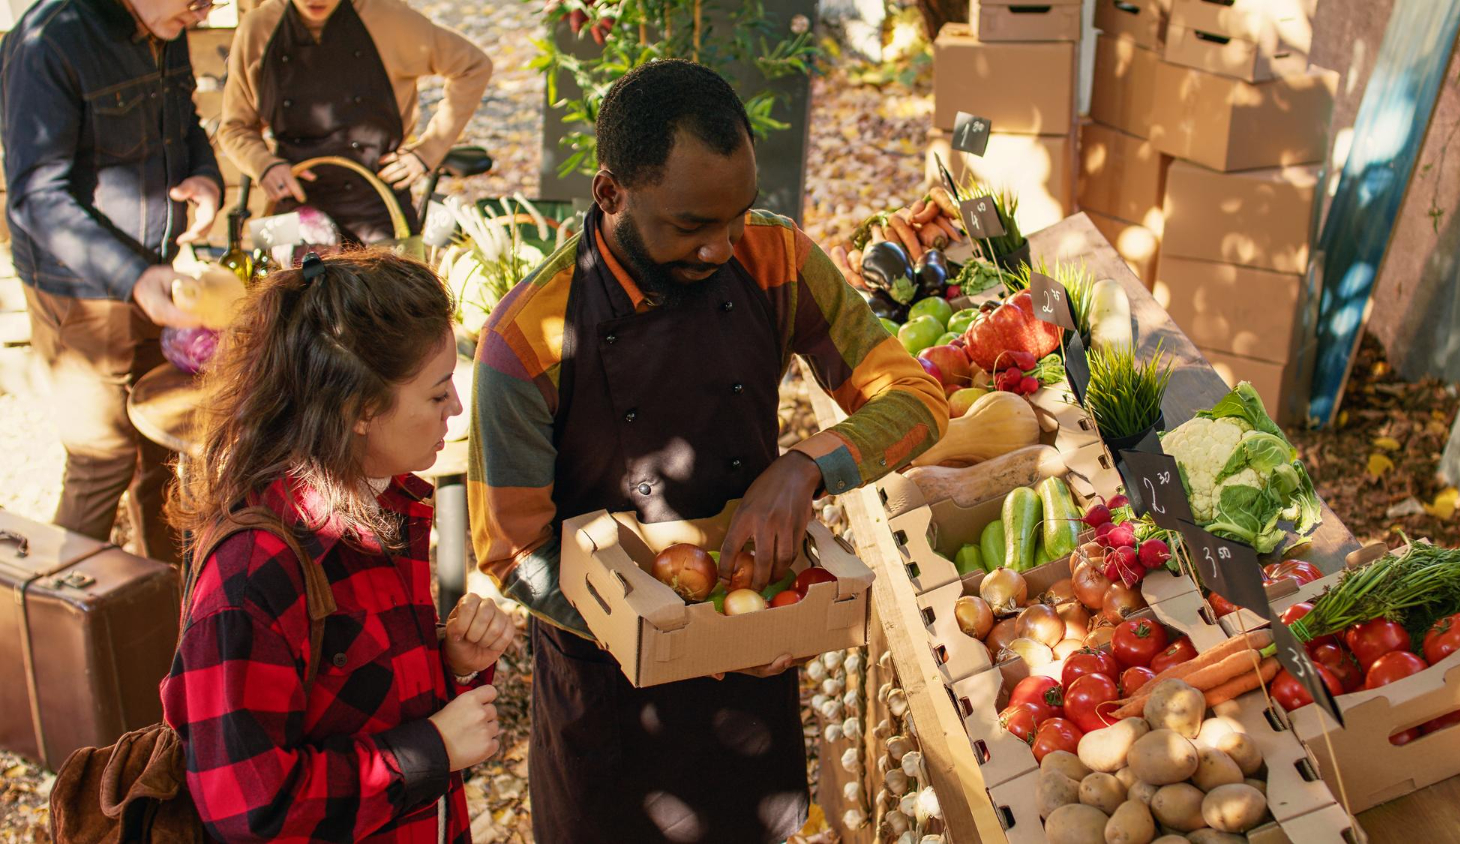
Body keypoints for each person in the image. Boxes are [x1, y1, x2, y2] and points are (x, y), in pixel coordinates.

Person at [468, 59, 949, 843]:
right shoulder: (525, 343)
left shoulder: (776, 257)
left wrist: (807, 466)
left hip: (752, 667)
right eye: (692, 226)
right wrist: (677, 632)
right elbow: (511, 553)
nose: (723, 247)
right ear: (610, 193)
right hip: (612, 696)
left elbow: (918, 400)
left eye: (738, 216)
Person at [160, 250, 514, 842]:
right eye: (435, 394)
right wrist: (429, 751)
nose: (456, 406)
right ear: (358, 411)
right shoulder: (252, 577)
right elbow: (251, 811)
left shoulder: (379, 499)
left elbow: (347, 697)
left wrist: (449, 665)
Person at [0, 0, 224, 562]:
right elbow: (35, 197)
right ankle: (59, 620)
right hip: (79, 291)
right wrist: (134, 277)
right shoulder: (49, 43)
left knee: (165, 452)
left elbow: (187, 122)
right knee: (102, 460)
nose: (205, 11)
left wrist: (206, 176)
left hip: (158, 275)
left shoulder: (164, 19)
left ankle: (162, 607)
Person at [218, 0, 492, 244]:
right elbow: (234, 127)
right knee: (275, 294)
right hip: (291, 201)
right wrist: (264, 165)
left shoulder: (391, 18)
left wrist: (427, 152)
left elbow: (474, 65)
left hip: (378, 200)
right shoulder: (257, 27)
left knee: (394, 297)